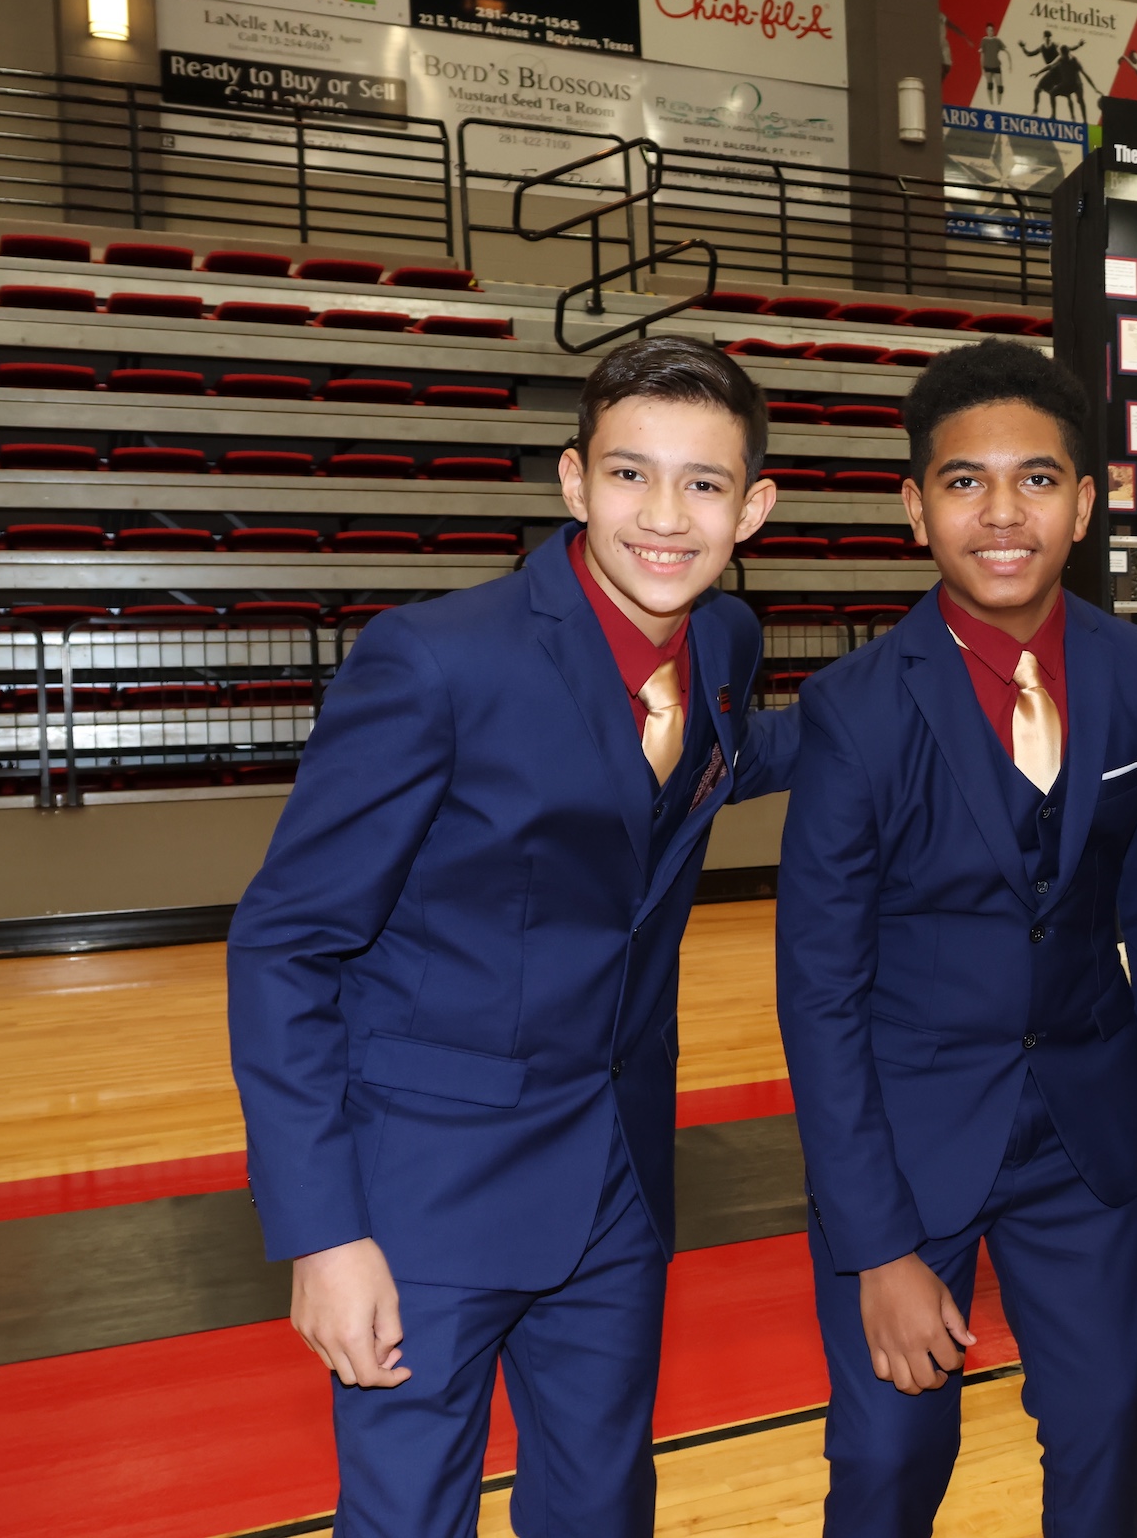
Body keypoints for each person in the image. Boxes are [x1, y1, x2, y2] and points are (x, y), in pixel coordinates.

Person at [227, 336, 797, 1537]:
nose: (664, 516)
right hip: (425, 1193)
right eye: (631, 475)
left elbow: (710, 765)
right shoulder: (436, 662)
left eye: (703, 484)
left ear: (754, 505)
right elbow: (285, 945)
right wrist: (325, 1233)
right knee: (408, 1520)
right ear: (573, 481)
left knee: (600, 1508)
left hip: (620, 1187)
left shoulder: (726, 646)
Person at [775, 340, 1137, 1537]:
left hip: (1091, 1130)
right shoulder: (852, 712)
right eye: (966, 482)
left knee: (1108, 1431)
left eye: (1036, 479)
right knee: (889, 1456)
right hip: (906, 1148)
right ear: (917, 507)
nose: (1002, 512)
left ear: (1087, 498)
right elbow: (817, 990)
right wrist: (876, 1245)